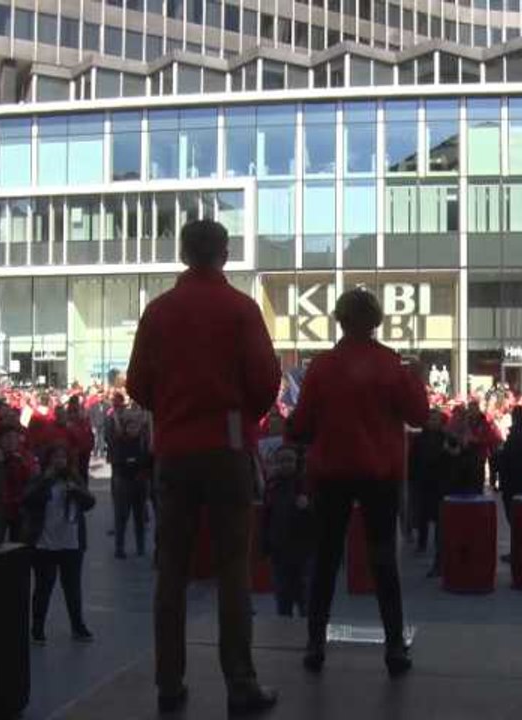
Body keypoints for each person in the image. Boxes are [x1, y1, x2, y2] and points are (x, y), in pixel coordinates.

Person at [126, 219, 282, 716]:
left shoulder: (158, 312)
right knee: (234, 568)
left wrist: (171, 409)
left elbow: (136, 384)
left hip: (174, 449)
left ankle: (169, 682)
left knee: (170, 569)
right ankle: (240, 681)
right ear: (225, 253)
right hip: (228, 446)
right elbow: (265, 381)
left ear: (183, 252)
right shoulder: (240, 309)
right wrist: (241, 416)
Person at [287, 288, 429, 677]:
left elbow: (299, 426)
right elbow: (419, 415)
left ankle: (315, 644)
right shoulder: (390, 365)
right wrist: (416, 379)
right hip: (379, 476)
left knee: (326, 559)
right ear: (376, 321)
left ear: (340, 319)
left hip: (330, 474)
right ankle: (394, 647)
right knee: (384, 561)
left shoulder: (322, 367)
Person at [21, 441, 96, 644]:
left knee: (72, 588)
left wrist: (76, 491)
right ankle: (37, 628)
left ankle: (78, 626)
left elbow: (90, 502)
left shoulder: (73, 478)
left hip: (71, 543)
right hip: (44, 543)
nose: (59, 461)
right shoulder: (40, 479)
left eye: (63, 457)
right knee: (44, 588)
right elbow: (27, 499)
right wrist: (46, 481)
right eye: (56, 457)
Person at [261, 445, 314, 618]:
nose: (286, 464)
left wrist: (308, 507)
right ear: (276, 462)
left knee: (305, 599)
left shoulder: (306, 485)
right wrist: (265, 546)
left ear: (296, 462)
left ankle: (307, 636)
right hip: (279, 552)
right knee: (283, 599)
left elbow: (319, 516)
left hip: (303, 552)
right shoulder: (271, 487)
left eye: (290, 460)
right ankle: (284, 635)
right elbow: (266, 518)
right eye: (282, 460)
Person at [409, 410, 451, 578]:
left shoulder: (446, 438)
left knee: (440, 521)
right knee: (422, 515)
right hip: (423, 483)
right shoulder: (419, 439)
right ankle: (422, 542)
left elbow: (451, 460)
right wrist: (412, 479)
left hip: (440, 485)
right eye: (430, 419)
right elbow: (413, 460)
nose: (433, 422)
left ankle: (439, 555)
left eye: (436, 419)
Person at [110, 412, 151, 558]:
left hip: (139, 483)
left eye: (135, 426)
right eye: (130, 426)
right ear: (125, 427)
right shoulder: (120, 441)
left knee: (139, 517)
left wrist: (135, 464)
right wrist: (132, 463)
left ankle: (141, 547)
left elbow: (147, 460)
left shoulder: (143, 442)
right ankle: (119, 548)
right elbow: (117, 461)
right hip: (124, 482)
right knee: (122, 517)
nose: (133, 429)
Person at [0, 424, 38, 543]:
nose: (10, 442)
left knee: (18, 542)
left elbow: (33, 478)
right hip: (1, 507)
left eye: (13, 438)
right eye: (6, 438)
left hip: (19, 507)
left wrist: (21, 462)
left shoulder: (25, 456)